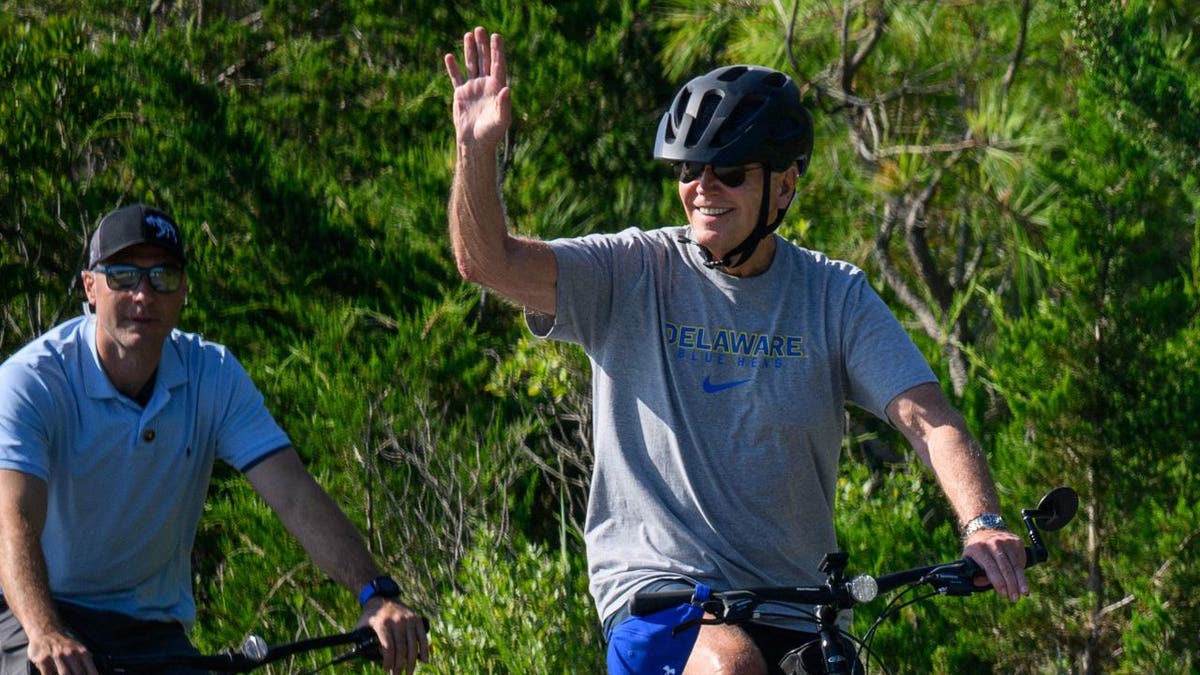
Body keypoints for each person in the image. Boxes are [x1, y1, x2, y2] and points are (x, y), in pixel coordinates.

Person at [444, 26, 1029, 675]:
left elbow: (929, 416)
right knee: (732, 665)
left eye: (728, 171)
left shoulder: (832, 295)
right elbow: (486, 261)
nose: (702, 187)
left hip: (801, 609)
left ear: (783, 188)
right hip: (663, 600)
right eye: (690, 170)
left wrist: (982, 522)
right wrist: (476, 152)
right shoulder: (633, 270)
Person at [0, 204, 430, 675]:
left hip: (151, 630)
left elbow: (294, 495)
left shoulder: (212, 374)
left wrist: (374, 593)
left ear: (183, 291)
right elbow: (12, 518)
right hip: (38, 613)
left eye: (162, 277)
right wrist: (45, 632)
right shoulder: (33, 380)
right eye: (123, 277)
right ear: (90, 287)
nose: (143, 296)